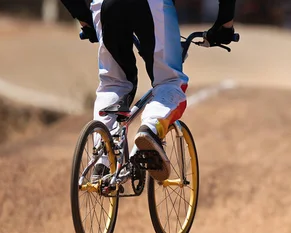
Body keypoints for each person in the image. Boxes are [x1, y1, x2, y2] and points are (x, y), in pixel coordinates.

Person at [59, 0, 236, 181]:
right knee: (170, 80)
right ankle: (151, 127)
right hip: (151, 5)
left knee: (113, 83)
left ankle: (103, 157)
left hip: (105, 5)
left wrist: (83, 17)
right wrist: (225, 23)